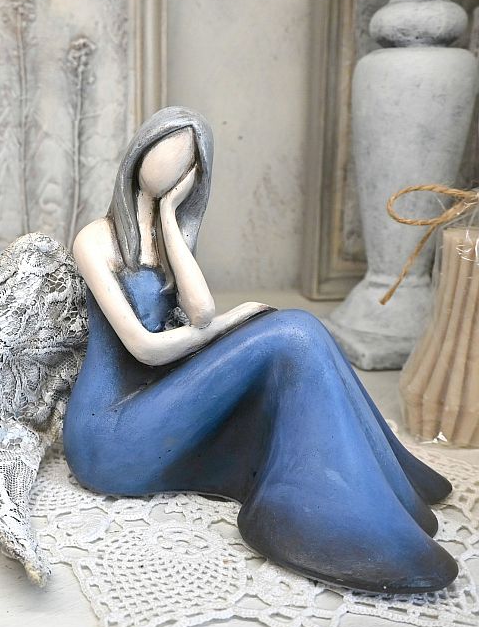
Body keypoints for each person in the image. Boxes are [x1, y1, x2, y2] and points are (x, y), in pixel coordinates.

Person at [63, 106, 458, 593]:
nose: (171, 165)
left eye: (187, 159)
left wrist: (168, 218)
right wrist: (234, 321)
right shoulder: (96, 239)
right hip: (110, 432)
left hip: (156, 403)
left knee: (302, 329)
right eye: (165, 147)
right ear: (141, 149)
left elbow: (199, 311)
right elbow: (145, 349)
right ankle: (305, 516)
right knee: (292, 332)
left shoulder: (166, 239)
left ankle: (382, 485)